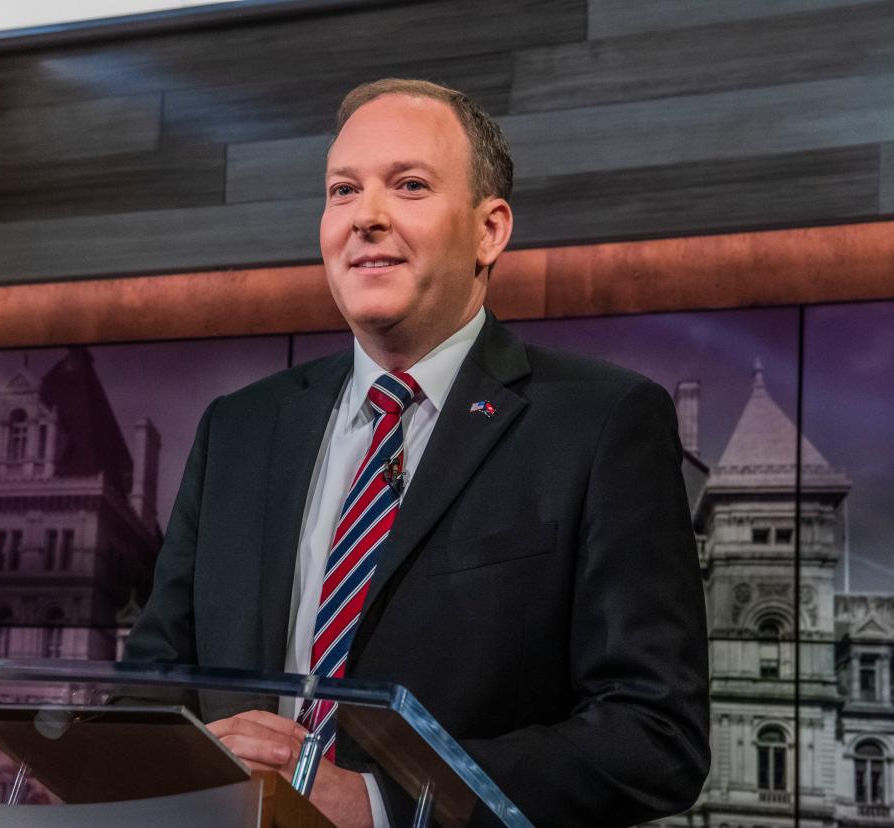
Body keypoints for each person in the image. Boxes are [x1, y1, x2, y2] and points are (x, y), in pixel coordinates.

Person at [125, 78, 710, 827]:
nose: (365, 218)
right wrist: (183, 762)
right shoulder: (239, 429)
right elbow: (150, 684)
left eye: (408, 186)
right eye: (342, 191)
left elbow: (655, 738)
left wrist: (381, 802)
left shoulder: (603, 423)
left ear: (489, 230)